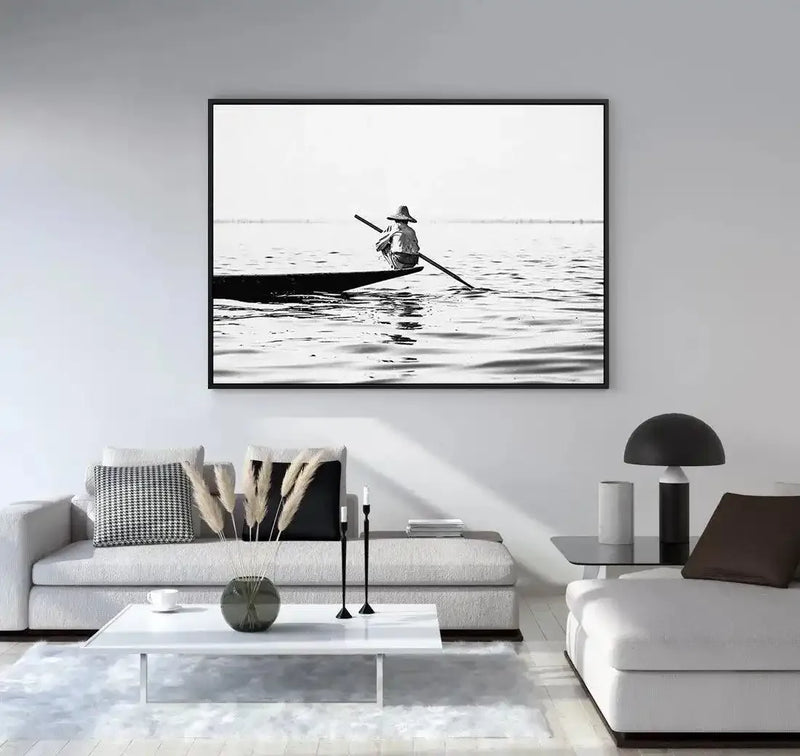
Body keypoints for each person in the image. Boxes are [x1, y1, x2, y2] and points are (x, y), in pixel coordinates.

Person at [375, 205, 420, 270]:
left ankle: (394, 267)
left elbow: (378, 247)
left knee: (385, 247)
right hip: (413, 261)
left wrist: (389, 238)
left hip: (400, 261)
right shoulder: (412, 231)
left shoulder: (394, 228)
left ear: (396, 219)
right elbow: (417, 248)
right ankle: (401, 265)